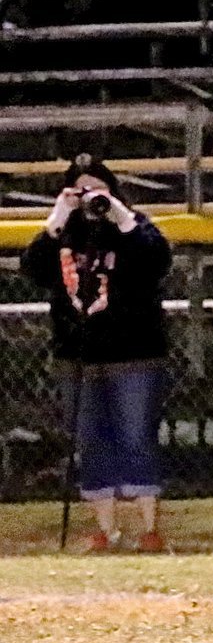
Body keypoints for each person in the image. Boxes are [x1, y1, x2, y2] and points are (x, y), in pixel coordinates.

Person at [20, 155, 172, 553]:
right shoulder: (63, 234)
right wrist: (58, 216)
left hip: (135, 354)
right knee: (90, 442)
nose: (90, 197)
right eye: (82, 189)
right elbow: (33, 269)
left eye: (97, 188)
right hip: (79, 356)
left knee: (137, 438)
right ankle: (105, 530)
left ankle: (149, 529)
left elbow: (157, 261)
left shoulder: (133, 228)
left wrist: (120, 214)